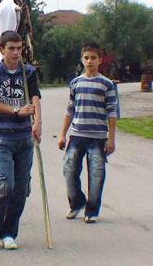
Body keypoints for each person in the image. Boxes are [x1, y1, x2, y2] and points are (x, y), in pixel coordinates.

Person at [0, 31, 42, 250]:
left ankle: (10, 232)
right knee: (5, 184)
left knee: (20, 189)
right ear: (2, 49)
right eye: (12, 48)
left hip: (24, 139)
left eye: (19, 48)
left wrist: (38, 123)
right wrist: (17, 110)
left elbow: (35, 97)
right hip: (3, 139)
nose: (16, 53)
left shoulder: (28, 72)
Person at [58, 42, 117, 224]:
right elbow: (70, 110)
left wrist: (111, 139)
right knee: (69, 170)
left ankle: (92, 210)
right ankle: (76, 203)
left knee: (96, 174)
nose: (89, 61)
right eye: (86, 58)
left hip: (98, 138)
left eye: (93, 58)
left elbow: (112, 112)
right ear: (82, 60)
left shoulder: (106, 84)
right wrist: (62, 134)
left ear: (100, 60)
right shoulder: (76, 83)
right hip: (76, 135)